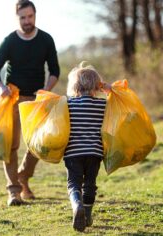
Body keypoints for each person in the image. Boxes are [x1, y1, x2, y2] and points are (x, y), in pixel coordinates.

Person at [0, 0, 60, 206]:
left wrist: (46, 90)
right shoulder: (9, 41)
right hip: (13, 98)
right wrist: (0, 87)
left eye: (30, 17)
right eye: (22, 17)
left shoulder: (46, 40)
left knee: (39, 145)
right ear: (17, 18)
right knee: (11, 146)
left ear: (35, 15)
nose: (27, 21)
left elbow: (55, 71)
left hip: (37, 100)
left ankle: (23, 176)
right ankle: (14, 192)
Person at [64, 62, 111, 232]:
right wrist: (109, 90)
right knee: (90, 184)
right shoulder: (103, 105)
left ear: (74, 85)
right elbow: (120, 104)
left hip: (73, 152)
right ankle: (88, 215)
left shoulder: (67, 105)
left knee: (74, 184)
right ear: (97, 85)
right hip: (94, 152)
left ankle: (77, 206)